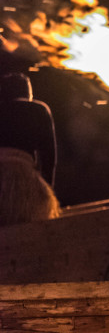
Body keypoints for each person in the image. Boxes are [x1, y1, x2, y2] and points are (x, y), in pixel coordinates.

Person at [0, 72, 60, 225]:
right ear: (28, 92)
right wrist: (47, 192)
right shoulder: (38, 109)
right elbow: (49, 157)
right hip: (23, 180)